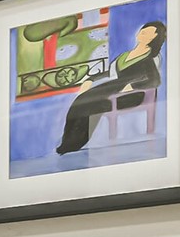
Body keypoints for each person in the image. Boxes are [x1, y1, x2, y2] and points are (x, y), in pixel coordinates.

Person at [55, 20, 164, 155]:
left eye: (149, 32)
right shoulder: (124, 56)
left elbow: (155, 80)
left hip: (132, 94)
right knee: (82, 100)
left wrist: (133, 85)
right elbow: (109, 73)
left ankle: (76, 143)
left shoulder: (150, 58)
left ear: (154, 38)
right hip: (114, 88)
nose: (143, 32)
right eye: (143, 29)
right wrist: (90, 79)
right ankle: (68, 142)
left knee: (95, 105)